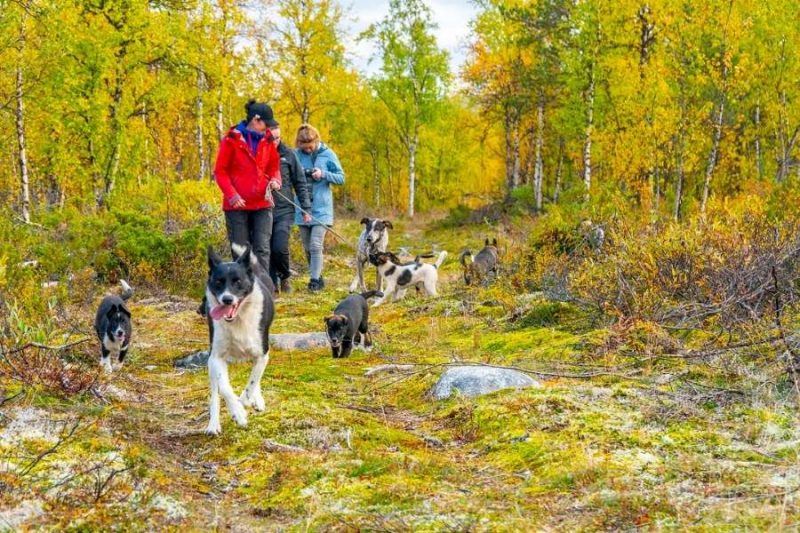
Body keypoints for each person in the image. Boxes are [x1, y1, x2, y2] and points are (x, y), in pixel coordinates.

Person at [213, 100, 282, 274]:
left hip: (263, 203)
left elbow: (273, 166)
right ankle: (244, 287)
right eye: (266, 124)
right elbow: (220, 172)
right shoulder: (231, 140)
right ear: (255, 120)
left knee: (262, 249)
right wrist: (232, 195)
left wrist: (275, 180)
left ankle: (263, 286)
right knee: (240, 252)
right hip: (236, 206)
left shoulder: (268, 139)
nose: (268, 128)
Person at [294, 124, 345, 292]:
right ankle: (318, 275)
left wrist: (323, 174)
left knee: (316, 245)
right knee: (308, 248)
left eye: (310, 147)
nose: (307, 150)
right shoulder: (296, 155)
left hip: (322, 209)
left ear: (316, 140)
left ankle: (314, 281)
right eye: (304, 147)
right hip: (302, 208)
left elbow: (341, 178)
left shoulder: (328, 154)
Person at [267, 124, 312, 294]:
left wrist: (305, 208)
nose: (275, 141)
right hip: (263, 210)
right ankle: (272, 285)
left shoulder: (289, 155)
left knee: (279, 247)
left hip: (284, 210)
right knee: (266, 249)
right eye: (271, 138)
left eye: (277, 138)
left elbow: (300, 183)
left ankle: (285, 275)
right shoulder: (258, 154)